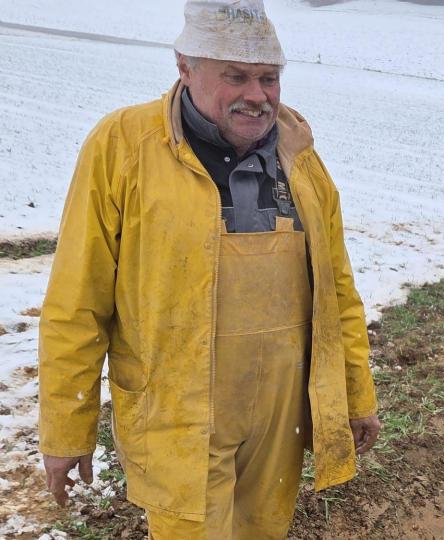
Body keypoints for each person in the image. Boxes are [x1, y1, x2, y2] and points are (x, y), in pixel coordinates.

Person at [37, 1, 380, 537]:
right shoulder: (123, 146)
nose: (257, 95)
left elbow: (337, 288)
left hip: (279, 419)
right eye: (236, 76)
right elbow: (77, 300)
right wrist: (66, 429)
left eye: (269, 78)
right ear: (185, 68)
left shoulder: (300, 156)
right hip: (177, 416)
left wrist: (356, 395)